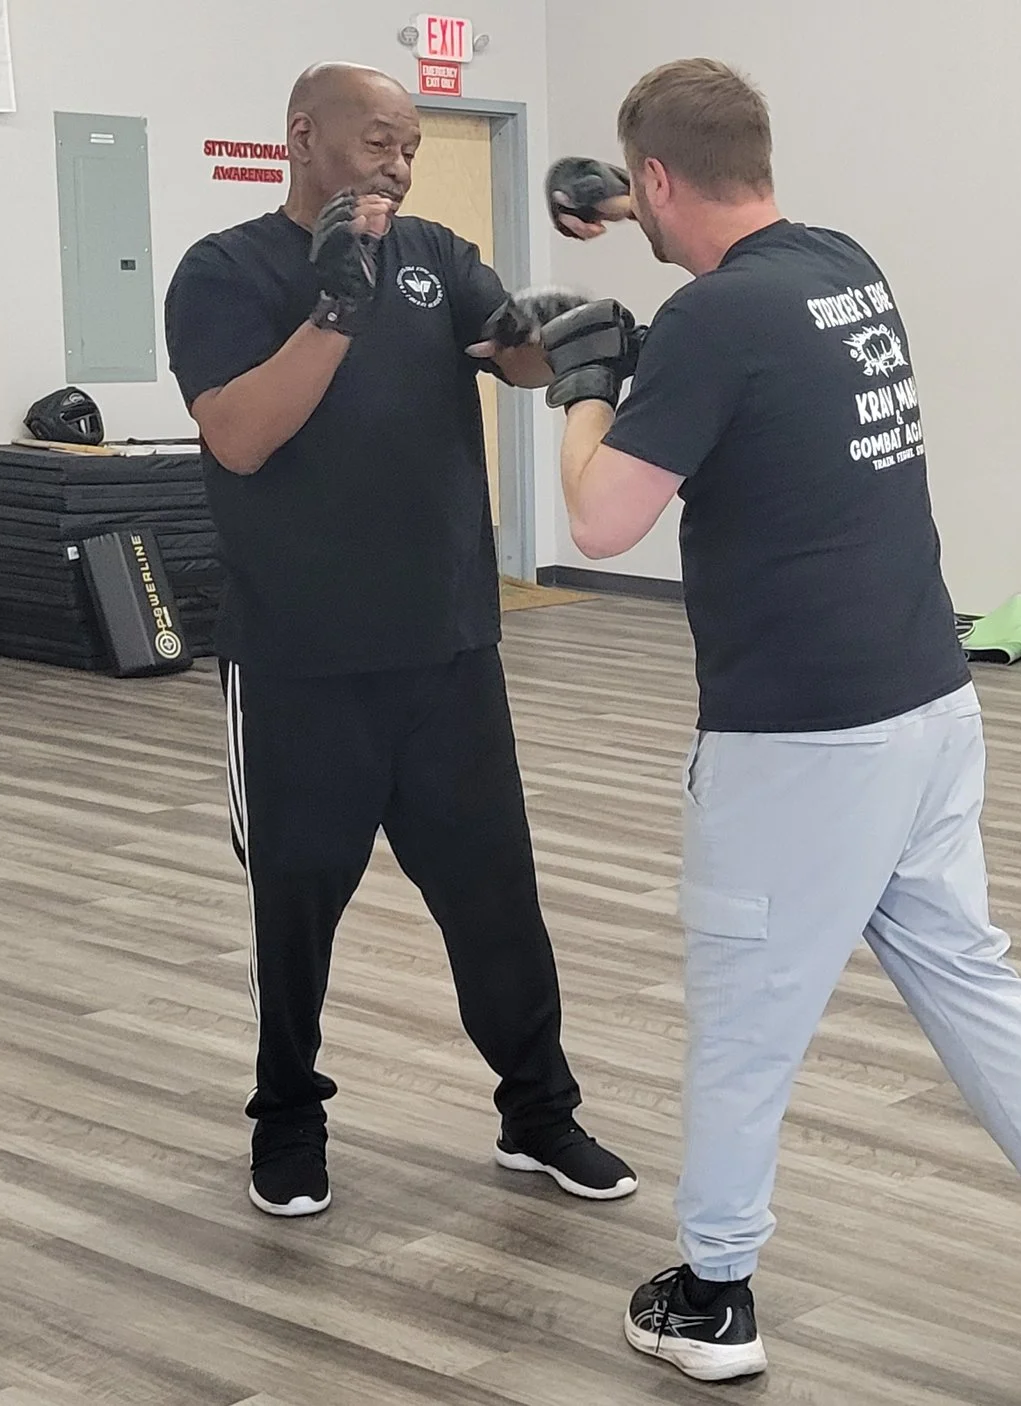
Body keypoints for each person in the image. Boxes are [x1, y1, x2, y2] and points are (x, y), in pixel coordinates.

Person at [540, 59, 1021, 1384]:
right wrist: (627, 207)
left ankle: (714, 1292)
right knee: (973, 978)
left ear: (661, 180)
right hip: (929, 703)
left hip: (800, 741)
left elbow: (601, 517)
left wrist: (587, 383)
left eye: (644, 197)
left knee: (743, 1016)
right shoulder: (845, 266)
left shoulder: (714, 325)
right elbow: (717, 237)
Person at [160, 64, 637, 1218]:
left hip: (448, 650)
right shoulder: (224, 271)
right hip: (298, 663)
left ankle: (538, 1112)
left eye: (411, 144)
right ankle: (287, 1118)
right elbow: (239, 439)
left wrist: (553, 334)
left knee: (496, 901)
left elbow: (510, 358)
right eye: (379, 140)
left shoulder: (433, 250)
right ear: (303, 139)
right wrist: (335, 308)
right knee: (296, 907)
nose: (399, 162)